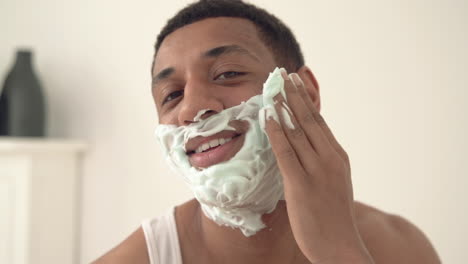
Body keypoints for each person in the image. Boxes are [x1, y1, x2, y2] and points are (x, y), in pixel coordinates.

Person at [93, 0, 441, 263]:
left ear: (305, 91)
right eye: (172, 95)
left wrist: (338, 251)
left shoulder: (398, 248)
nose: (191, 109)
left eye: (228, 73)